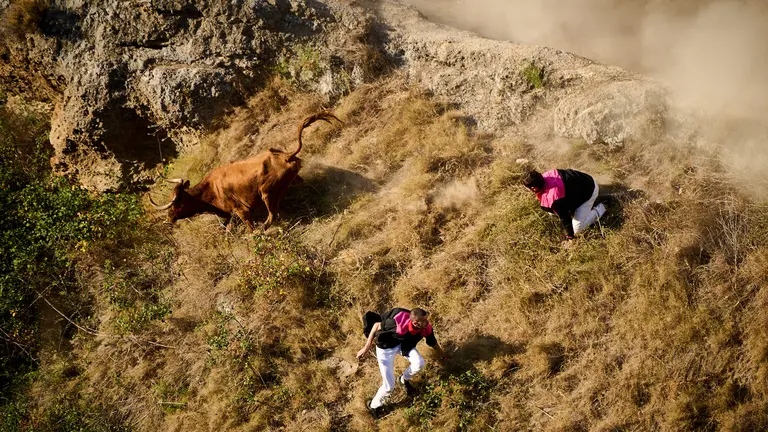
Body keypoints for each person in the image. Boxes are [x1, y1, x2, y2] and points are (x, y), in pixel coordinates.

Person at [357, 307, 445, 419]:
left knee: (419, 363)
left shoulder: (425, 327)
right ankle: (374, 405)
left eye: (426, 319)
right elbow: (376, 326)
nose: (427, 322)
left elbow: (432, 341)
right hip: (386, 349)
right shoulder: (396, 324)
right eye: (424, 321)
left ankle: (403, 379)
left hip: (403, 345)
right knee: (389, 386)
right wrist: (366, 348)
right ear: (415, 323)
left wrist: (442, 354)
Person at [522, 168, 606, 242]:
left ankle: (603, 205)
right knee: (553, 210)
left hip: (590, 191)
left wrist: (570, 236)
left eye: (527, 187)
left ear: (534, 188)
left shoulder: (554, 198)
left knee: (577, 229)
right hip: (585, 180)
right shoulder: (547, 175)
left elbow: (566, 219)